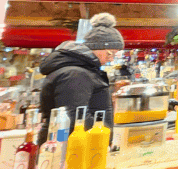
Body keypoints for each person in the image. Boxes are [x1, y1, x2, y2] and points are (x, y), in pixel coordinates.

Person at [36, 13, 123, 143]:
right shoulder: (75, 74)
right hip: (73, 149)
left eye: (115, 55)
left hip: (80, 145)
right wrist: (100, 138)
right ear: (96, 47)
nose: (111, 59)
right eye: (110, 53)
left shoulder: (81, 70)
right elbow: (76, 118)